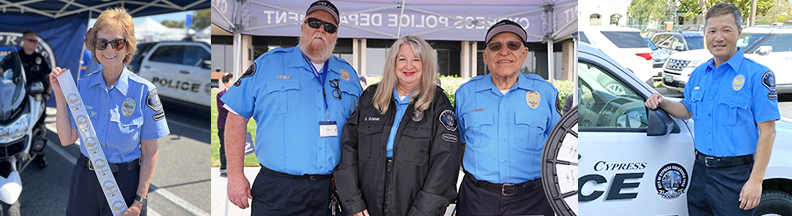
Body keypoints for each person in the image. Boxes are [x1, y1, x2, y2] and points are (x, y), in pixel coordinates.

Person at [220, 1, 363, 215]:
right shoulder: (268, 64)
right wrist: (235, 176)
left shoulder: (348, 74)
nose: (321, 30)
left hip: (333, 189)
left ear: (335, 35)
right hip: (279, 190)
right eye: (314, 22)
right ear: (302, 26)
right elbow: (236, 116)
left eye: (330, 27)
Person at [645, 3, 778, 216]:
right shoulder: (699, 74)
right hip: (700, 172)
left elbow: (768, 132)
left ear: (739, 32)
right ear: (705, 34)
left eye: (726, 30)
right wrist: (662, 102)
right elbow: (686, 110)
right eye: (712, 31)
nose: (718, 37)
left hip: (735, 175)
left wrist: (755, 181)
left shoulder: (757, 75)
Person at [49, 8, 170, 216]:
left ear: (127, 46)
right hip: (85, 180)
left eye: (117, 43)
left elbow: (150, 152)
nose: (109, 49)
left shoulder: (144, 91)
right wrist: (60, 97)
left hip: (125, 185)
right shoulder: (81, 87)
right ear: (94, 47)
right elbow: (67, 138)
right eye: (102, 43)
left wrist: (139, 201)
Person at [334, 35, 461, 216]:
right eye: (402, 59)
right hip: (365, 208)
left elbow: (445, 165)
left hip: (414, 208)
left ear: (426, 65)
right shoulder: (370, 98)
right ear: (393, 63)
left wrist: (423, 212)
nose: (408, 66)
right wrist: (353, 203)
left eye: (416, 59)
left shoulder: (438, 103)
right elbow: (348, 148)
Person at [454, 20, 561, 216]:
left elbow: (559, 147)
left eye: (513, 45)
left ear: (524, 54)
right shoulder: (465, 94)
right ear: (485, 56)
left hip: (533, 200)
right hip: (477, 199)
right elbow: (459, 144)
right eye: (496, 46)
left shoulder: (545, 93)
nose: (504, 52)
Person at [18, 31, 52, 168]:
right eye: (32, 41)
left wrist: (48, 94)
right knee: (18, 127)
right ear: (24, 41)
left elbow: (50, 76)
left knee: (38, 127)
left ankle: (38, 154)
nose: (35, 43)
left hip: (37, 100)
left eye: (36, 41)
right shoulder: (16, 57)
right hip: (19, 100)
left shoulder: (40, 58)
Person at [216, 72, 233, 177]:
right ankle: (223, 168)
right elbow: (223, 110)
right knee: (224, 146)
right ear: (226, 83)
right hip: (223, 125)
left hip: (234, 125)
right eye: (232, 80)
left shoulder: (237, 93)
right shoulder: (220, 95)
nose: (234, 81)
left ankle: (232, 168)